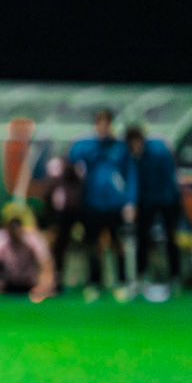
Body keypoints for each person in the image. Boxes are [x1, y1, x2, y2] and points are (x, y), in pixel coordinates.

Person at [68, 109, 136, 301]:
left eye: (106, 122)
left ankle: (122, 283)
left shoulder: (120, 148)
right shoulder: (86, 146)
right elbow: (72, 160)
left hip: (114, 204)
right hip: (91, 204)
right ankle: (93, 284)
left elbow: (130, 175)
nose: (103, 126)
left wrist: (129, 201)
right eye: (100, 122)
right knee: (92, 245)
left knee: (117, 244)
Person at [127, 124, 181, 296]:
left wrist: (168, 201)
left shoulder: (159, 151)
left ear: (140, 140)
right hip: (145, 201)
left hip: (167, 200)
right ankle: (140, 276)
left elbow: (169, 178)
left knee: (170, 237)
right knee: (142, 238)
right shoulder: (132, 156)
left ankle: (175, 277)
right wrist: (132, 202)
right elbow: (133, 180)